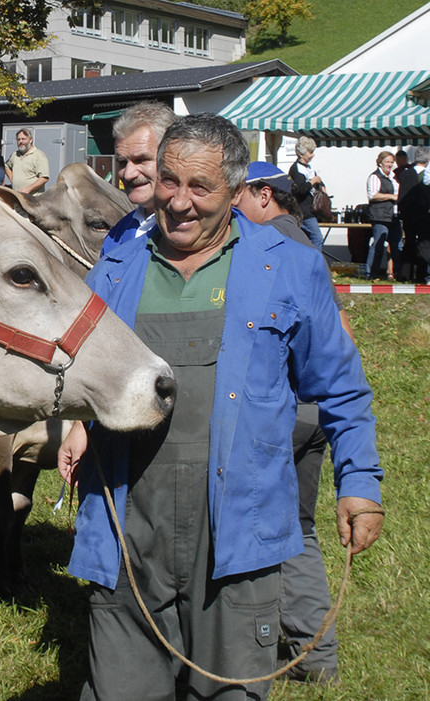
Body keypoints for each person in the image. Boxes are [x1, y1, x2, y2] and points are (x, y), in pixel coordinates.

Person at [58, 114, 382, 701]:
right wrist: (79, 421)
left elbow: (340, 386)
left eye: (200, 188)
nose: (179, 202)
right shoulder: (116, 265)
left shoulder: (287, 265)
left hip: (237, 536)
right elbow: (81, 369)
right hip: (129, 527)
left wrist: (359, 481)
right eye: (170, 181)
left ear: (236, 194)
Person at [237, 160, 356, 684]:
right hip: (313, 410)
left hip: (279, 409)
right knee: (298, 531)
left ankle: (249, 646)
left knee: (252, 527)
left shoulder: (265, 247)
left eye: (235, 193)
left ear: (265, 194)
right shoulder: (305, 242)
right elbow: (342, 332)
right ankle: (316, 658)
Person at [100, 101, 177, 256]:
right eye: (122, 162)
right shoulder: (118, 233)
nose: (128, 174)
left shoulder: (190, 232)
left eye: (141, 160)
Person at [365, 150, 403, 279]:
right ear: (380, 163)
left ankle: (398, 273)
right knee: (378, 245)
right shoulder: (375, 177)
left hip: (394, 215)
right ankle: (371, 273)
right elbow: (373, 195)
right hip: (380, 216)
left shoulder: (393, 177)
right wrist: (392, 196)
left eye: (392, 162)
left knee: (397, 245)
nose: (390, 164)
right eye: (387, 162)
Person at [395, 145, 430, 284]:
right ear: (427, 160)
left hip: (408, 215)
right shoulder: (426, 177)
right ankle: (421, 275)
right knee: (424, 244)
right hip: (424, 215)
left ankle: (404, 275)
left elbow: (401, 196)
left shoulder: (405, 173)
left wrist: (402, 213)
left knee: (408, 242)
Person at [287, 136, 324, 249]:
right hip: (303, 211)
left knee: (304, 241)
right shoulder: (297, 169)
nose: (313, 155)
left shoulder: (308, 168)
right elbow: (300, 189)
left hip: (310, 210)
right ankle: (314, 263)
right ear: (302, 153)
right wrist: (313, 181)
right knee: (317, 238)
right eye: (310, 152)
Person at [5, 128, 49, 195]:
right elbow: (6, 166)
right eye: (18, 139)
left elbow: (44, 178)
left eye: (23, 139)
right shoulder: (15, 155)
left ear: (30, 140)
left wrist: (28, 189)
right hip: (18, 196)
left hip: (34, 199)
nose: (21, 142)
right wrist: (12, 179)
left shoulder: (39, 155)